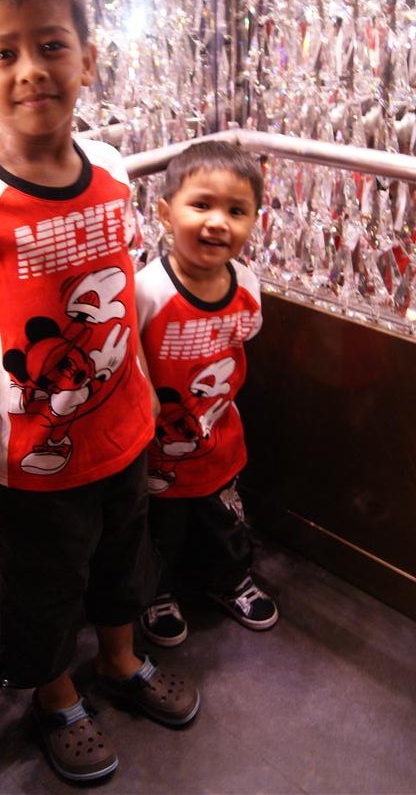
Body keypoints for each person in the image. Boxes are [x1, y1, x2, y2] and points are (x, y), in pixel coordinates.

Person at [0, 0, 200, 784]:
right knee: (41, 588)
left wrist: (148, 403)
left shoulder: (109, 168)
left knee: (123, 563)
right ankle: (56, 697)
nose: (31, 69)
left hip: (124, 433)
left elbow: (122, 300)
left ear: (87, 60)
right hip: (32, 463)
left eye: (51, 45)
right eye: (4, 53)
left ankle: (121, 660)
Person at [135, 139, 279, 648]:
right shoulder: (148, 290)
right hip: (155, 451)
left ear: (254, 221)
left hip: (219, 436)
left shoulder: (246, 283)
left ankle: (229, 579)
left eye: (236, 211)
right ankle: (156, 593)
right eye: (201, 205)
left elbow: (242, 340)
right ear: (165, 213)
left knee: (224, 521)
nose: (218, 222)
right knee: (160, 529)